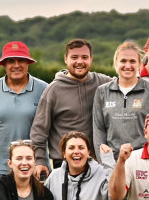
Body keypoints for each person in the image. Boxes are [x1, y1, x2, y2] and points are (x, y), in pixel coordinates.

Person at [92, 41, 149, 200]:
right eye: (123, 61)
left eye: (133, 61)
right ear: (115, 63)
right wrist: (104, 161)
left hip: (143, 165)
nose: (128, 65)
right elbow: (98, 128)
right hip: (112, 166)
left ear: (140, 63)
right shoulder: (102, 92)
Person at [30, 39, 112, 176]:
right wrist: (40, 161)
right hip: (63, 164)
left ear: (91, 59)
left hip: (97, 163)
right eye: (74, 57)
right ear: (66, 59)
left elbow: (127, 81)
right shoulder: (53, 90)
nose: (80, 61)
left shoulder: (103, 83)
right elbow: (39, 131)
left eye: (84, 57)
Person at [0, 41, 48, 192]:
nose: (16, 65)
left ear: (28, 63)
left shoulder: (44, 89)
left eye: (21, 60)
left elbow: (48, 126)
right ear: (4, 64)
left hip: (34, 166)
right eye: (11, 61)